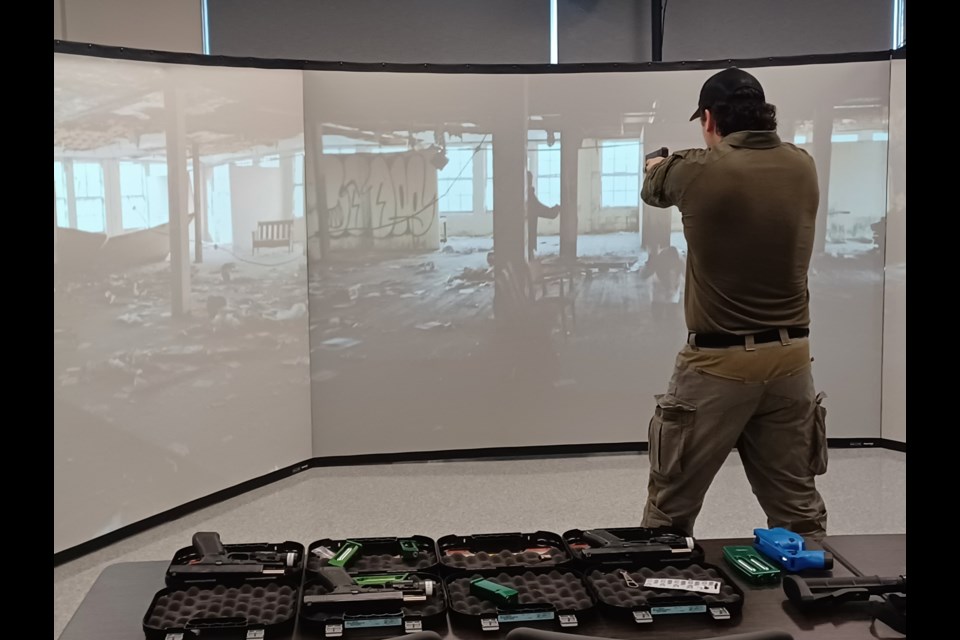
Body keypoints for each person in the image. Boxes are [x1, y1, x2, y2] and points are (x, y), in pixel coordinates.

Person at [639, 68, 829, 540]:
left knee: (670, 510)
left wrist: (659, 161)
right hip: (791, 364)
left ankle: (664, 602)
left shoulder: (698, 170)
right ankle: (818, 601)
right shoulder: (803, 165)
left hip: (717, 365)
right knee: (798, 511)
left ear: (709, 118)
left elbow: (653, 187)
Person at [526, 170, 560, 260]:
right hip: (527, 236)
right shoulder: (529, 196)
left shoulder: (524, 195)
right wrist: (555, 210)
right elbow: (542, 210)